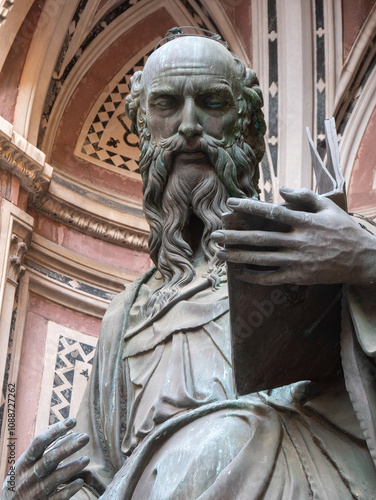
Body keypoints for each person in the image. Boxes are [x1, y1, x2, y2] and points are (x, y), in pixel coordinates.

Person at [3, 31, 376, 500]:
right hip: (157, 488)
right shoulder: (126, 317)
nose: (189, 125)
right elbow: (93, 478)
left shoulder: (318, 246)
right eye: (166, 105)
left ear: (249, 131)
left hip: (296, 478)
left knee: (230, 436)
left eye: (212, 102)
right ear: (143, 131)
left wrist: (364, 260)